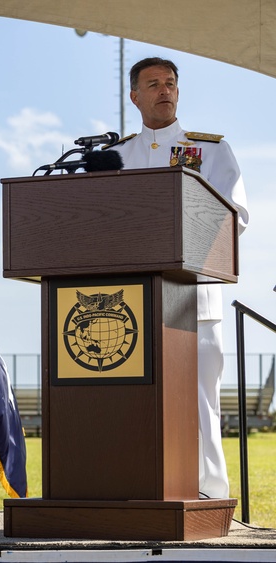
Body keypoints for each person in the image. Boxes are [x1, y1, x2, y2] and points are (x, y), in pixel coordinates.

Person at [110, 56, 250, 499]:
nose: (164, 90)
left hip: (194, 300)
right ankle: (137, 489)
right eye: (153, 84)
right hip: (130, 304)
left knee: (198, 404)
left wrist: (174, 232)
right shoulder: (115, 156)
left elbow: (236, 217)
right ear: (135, 96)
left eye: (170, 83)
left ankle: (208, 496)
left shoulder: (210, 150)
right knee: (133, 402)